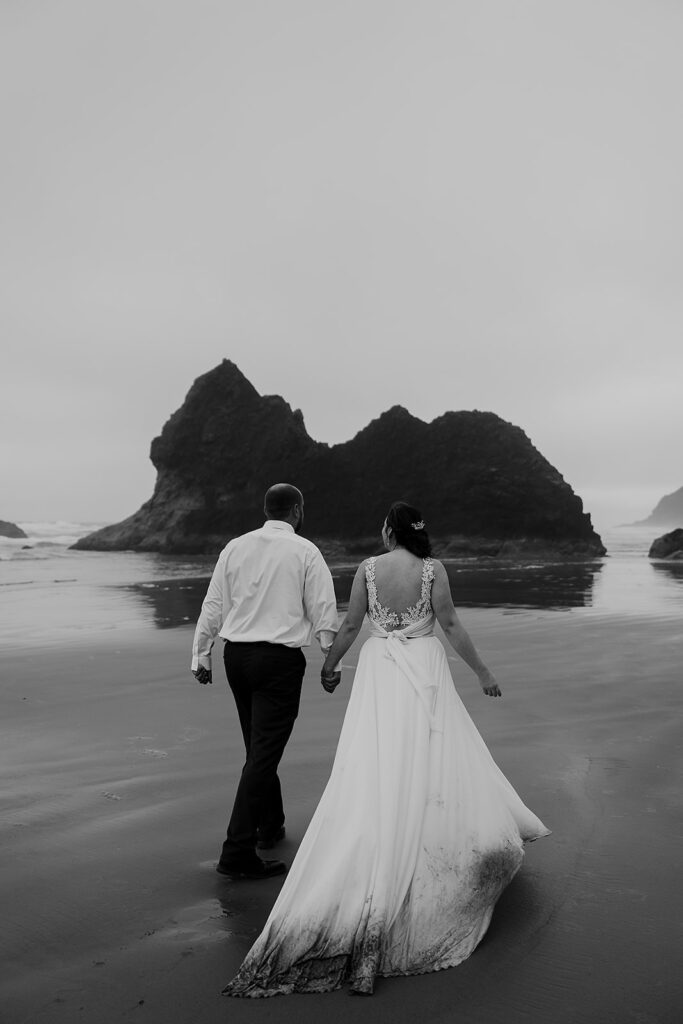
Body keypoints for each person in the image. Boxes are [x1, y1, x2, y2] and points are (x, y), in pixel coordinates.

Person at [223, 501, 551, 996]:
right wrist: (483, 673)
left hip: (380, 669)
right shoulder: (432, 569)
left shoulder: (369, 569)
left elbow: (352, 626)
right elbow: (452, 625)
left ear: (388, 530)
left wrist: (330, 665)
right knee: (433, 751)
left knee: (375, 756)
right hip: (423, 664)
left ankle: (381, 825)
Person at [191, 483, 340, 881]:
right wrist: (331, 659)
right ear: (296, 510)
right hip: (278, 662)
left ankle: (269, 825)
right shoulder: (305, 551)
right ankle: (237, 851)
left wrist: (200, 653)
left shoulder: (234, 547)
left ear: (267, 509)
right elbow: (323, 609)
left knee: (257, 747)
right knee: (262, 754)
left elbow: (213, 604)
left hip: (236, 658)